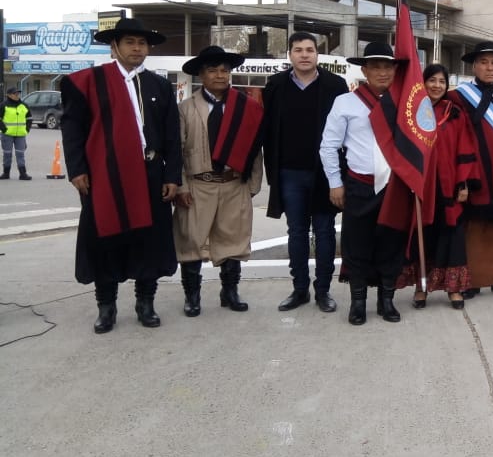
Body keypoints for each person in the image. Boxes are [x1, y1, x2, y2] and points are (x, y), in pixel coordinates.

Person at [59, 18, 181, 334]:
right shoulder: (89, 82)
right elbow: (73, 130)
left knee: (149, 242)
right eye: (129, 42)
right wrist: (77, 170)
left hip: (150, 174)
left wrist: (172, 175)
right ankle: (106, 307)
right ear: (114, 46)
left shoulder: (159, 85)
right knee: (105, 240)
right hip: (104, 176)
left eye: (142, 43)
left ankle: (145, 303)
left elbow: (171, 136)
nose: (137, 48)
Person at [319, 42, 409, 325]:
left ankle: (387, 300)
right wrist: (335, 183)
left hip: (395, 186)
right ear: (365, 70)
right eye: (376, 67)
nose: (382, 73)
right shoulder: (345, 103)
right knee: (357, 245)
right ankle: (358, 302)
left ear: (395, 70)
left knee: (391, 244)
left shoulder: (404, 103)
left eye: (388, 66)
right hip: (359, 185)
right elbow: (328, 146)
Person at [173, 46, 264, 317]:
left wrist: (252, 184)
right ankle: (192, 296)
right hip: (198, 184)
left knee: (233, 240)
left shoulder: (245, 107)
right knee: (191, 241)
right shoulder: (185, 108)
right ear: (201, 74)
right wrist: (181, 186)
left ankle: (230, 292)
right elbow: (175, 150)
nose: (220, 75)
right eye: (212, 70)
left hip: (233, 182)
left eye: (224, 70)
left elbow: (255, 149)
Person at [262, 31, 348, 314]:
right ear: (289, 54)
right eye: (298, 50)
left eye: (309, 49)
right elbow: (268, 132)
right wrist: (271, 174)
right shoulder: (275, 85)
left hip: (325, 173)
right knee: (296, 232)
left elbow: (346, 134)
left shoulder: (336, 85)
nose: (304, 54)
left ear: (317, 54)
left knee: (324, 232)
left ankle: (323, 290)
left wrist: (340, 177)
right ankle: (299, 289)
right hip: (289, 173)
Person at [397, 63, 476, 310]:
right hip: (420, 187)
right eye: (432, 80)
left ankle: (454, 289)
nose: (437, 86)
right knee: (424, 237)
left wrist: (463, 183)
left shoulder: (455, 113)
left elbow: (465, 147)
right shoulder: (411, 113)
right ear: (423, 83)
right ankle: (421, 288)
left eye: (442, 81)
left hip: (449, 185)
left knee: (452, 238)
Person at [447, 40, 493, 299]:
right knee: (474, 226)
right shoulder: (458, 96)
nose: (490, 68)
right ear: (474, 66)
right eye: (484, 62)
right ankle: (473, 279)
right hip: (473, 171)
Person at [1, 85, 33, 180]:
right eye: (15, 93)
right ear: (9, 95)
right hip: (7, 135)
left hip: (21, 135)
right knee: (7, 154)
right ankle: (6, 173)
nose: (17, 95)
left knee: (20, 154)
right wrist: (4, 129)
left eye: (18, 93)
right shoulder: (3, 105)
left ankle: (23, 174)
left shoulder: (24, 105)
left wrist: (26, 129)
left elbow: (29, 118)